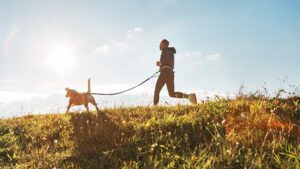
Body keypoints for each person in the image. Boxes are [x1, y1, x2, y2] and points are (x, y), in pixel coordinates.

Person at [154, 39, 197, 105]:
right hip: (170, 73)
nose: (159, 45)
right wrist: (161, 65)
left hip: (165, 72)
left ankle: (155, 107)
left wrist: (160, 63)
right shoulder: (170, 51)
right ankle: (190, 96)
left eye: (160, 44)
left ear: (163, 44)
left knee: (157, 91)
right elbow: (169, 61)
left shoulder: (165, 50)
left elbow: (166, 60)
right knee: (171, 93)